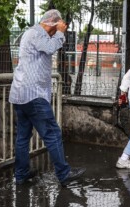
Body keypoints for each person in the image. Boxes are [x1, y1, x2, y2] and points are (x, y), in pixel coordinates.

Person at [9, 9, 85, 186]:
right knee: (52, 134)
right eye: (54, 28)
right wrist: (60, 31)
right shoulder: (36, 33)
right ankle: (64, 173)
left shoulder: (33, 34)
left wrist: (57, 32)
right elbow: (51, 47)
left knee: (22, 136)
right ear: (51, 22)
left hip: (21, 95)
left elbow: (48, 47)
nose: (54, 33)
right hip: (33, 94)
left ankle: (21, 174)